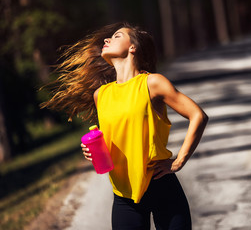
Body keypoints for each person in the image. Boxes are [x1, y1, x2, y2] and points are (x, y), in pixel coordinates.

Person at [41, 22, 208, 230]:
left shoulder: (152, 83)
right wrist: (92, 150)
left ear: (133, 47)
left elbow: (198, 115)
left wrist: (178, 162)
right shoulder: (101, 95)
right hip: (124, 195)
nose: (107, 40)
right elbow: (116, 138)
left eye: (117, 36)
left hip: (161, 185)